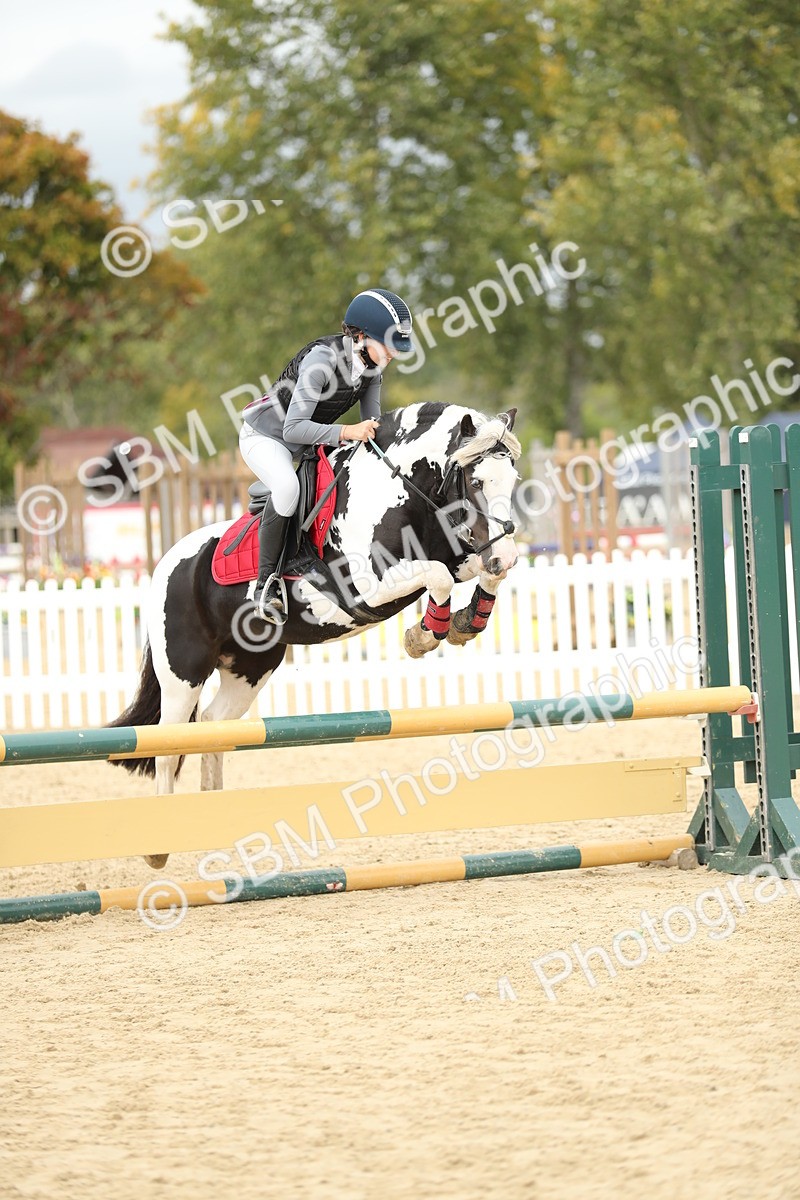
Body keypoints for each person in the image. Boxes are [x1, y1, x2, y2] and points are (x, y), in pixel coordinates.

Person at [239, 287, 413, 625]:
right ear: (360, 336)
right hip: (266, 436)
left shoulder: (371, 368)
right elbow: (292, 430)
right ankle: (266, 585)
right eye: (387, 343)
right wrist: (348, 431)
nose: (394, 352)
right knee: (287, 488)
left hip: (306, 442)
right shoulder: (321, 362)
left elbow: (372, 426)